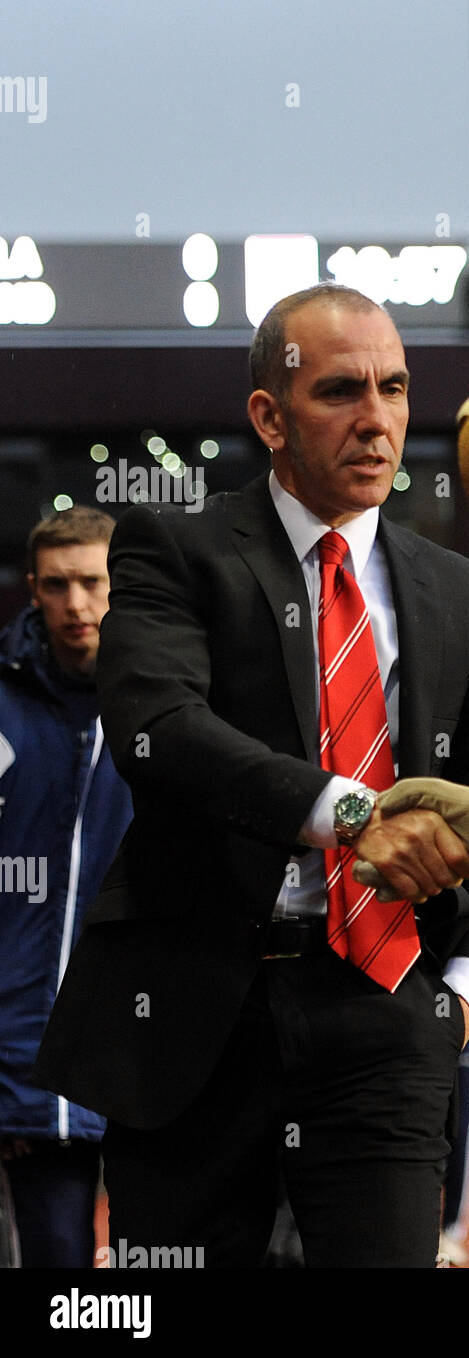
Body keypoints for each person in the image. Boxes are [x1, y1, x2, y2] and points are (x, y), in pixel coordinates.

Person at [34, 284, 469, 1268]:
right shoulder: (175, 550)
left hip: (388, 1008)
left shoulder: (465, 594)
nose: (378, 417)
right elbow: (160, 728)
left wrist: (463, 995)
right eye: (342, 390)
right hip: (189, 1014)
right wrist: (348, 813)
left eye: (393, 387)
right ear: (269, 415)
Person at [0, 508, 132, 1266]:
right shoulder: (6, 704)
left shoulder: (174, 700)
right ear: (33, 591)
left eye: (92, 582)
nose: (76, 604)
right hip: (27, 1054)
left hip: (150, 1045)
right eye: (57, 586)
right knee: (57, 1265)